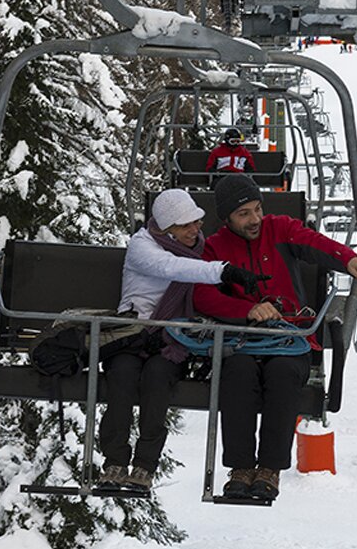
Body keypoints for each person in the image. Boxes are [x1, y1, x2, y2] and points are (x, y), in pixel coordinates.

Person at [195, 175, 357, 500]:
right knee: (237, 373)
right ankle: (240, 467)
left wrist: (347, 258)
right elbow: (202, 296)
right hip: (243, 340)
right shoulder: (216, 248)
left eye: (257, 209)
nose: (254, 219)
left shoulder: (279, 229)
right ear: (227, 219)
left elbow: (314, 243)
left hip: (290, 337)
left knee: (282, 373)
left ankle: (269, 469)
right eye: (244, 214)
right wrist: (247, 310)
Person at [99, 190, 266, 491]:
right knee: (122, 375)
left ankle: (144, 465)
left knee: (157, 377)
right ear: (166, 229)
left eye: (197, 222)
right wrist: (224, 271)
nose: (194, 230)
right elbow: (170, 267)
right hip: (132, 336)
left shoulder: (199, 247)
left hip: (171, 340)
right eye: (184, 226)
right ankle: (115, 460)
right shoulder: (142, 246)